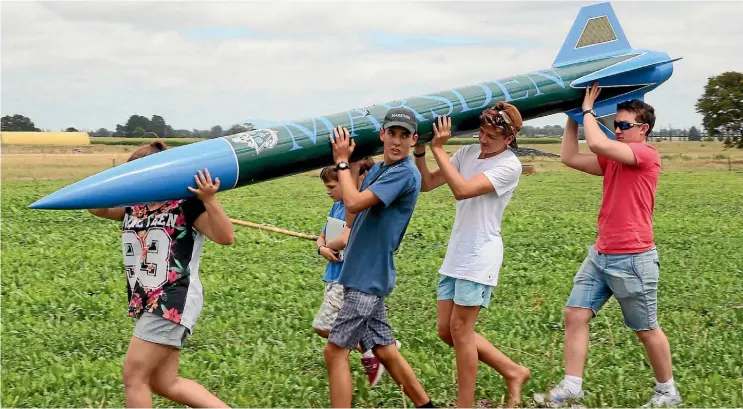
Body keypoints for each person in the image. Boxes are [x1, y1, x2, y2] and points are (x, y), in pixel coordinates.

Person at [533, 83, 681, 407]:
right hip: (600, 255)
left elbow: (597, 142)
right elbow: (569, 156)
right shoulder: (614, 159)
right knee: (574, 314)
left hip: (633, 258)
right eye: (616, 124)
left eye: (624, 126)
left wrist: (587, 110)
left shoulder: (644, 155)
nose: (618, 130)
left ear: (643, 129)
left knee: (646, 329)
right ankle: (572, 388)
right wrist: (573, 116)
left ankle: (667, 391)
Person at [88, 140, 234, 408]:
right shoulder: (133, 207)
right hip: (148, 299)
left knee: (134, 376)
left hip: (172, 298)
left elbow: (225, 237)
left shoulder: (185, 205)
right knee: (165, 383)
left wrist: (209, 200)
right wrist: (112, 184)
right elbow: (96, 207)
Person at [413, 103, 531, 408]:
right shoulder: (466, 154)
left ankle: (465, 404)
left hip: (480, 254)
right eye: (481, 132)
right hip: (456, 252)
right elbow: (427, 184)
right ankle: (513, 371)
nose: (483, 140)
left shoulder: (509, 166)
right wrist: (421, 152)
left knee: (461, 330)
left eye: (492, 136)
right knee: (446, 331)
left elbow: (463, 189)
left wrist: (439, 147)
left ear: (509, 138)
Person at [323, 107, 435, 408]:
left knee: (334, 352)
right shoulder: (379, 170)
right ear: (382, 135)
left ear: (413, 140)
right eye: (392, 134)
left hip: (366, 278)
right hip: (364, 272)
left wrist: (343, 162)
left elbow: (356, 202)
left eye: (404, 136)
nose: (397, 142)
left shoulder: (404, 173)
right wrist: (355, 166)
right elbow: (350, 206)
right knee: (384, 348)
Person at [312, 159, 401, 387]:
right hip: (333, 274)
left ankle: (372, 351)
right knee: (356, 323)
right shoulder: (336, 207)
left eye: (333, 186)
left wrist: (329, 245)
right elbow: (324, 236)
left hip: (348, 277)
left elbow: (345, 238)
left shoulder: (358, 206)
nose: (329, 191)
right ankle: (380, 350)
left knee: (323, 325)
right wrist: (323, 247)